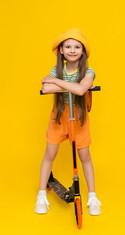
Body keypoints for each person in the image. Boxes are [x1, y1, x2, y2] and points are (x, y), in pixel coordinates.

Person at [35, 28, 102, 216]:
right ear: (62, 51)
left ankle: (93, 197)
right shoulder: (58, 70)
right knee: (50, 153)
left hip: (79, 116)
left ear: (82, 51)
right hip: (59, 115)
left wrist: (58, 82)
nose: (73, 50)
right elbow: (45, 87)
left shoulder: (89, 72)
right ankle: (41, 195)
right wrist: (65, 83)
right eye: (68, 47)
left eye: (77, 47)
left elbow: (81, 90)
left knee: (85, 157)